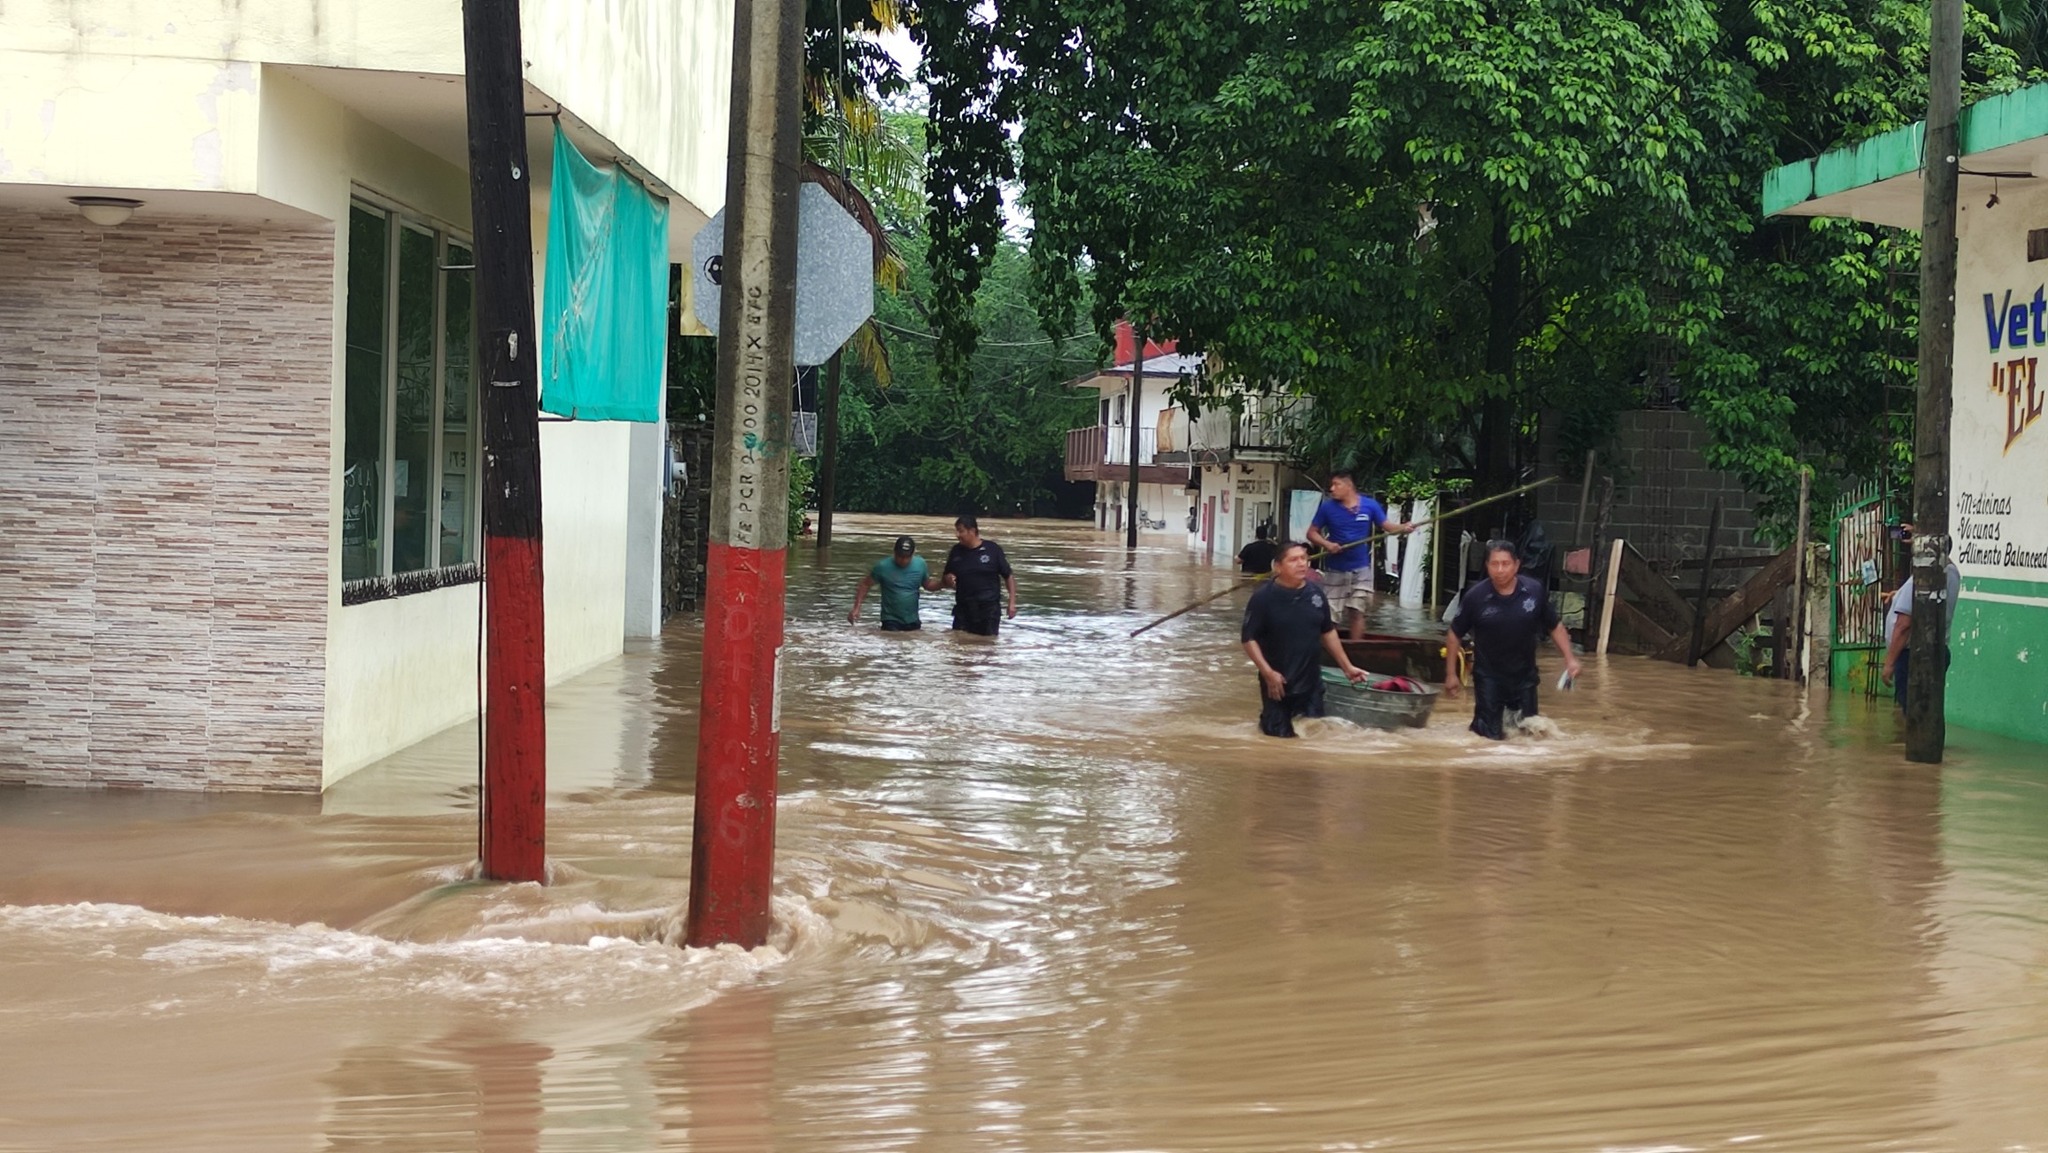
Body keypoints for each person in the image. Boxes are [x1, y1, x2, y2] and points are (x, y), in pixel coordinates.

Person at [1444, 539, 1582, 740]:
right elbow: (1454, 634)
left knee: (1528, 734)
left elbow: (1555, 626)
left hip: (1524, 677)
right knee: (1488, 737)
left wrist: (1570, 659)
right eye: (1494, 564)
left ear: (1516, 565)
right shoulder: (1475, 597)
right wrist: (1451, 675)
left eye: (1505, 564)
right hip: (1488, 678)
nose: (1500, 570)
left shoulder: (1534, 591)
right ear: (1487, 566)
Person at [1242, 541, 1370, 737]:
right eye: (1293, 560)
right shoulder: (1263, 598)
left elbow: (1327, 632)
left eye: (1304, 559)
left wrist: (1347, 667)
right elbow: (1248, 638)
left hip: (1310, 682)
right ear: (1277, 567)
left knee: (1313, 736)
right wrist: (1268, 673)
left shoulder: (1316, 594)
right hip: (1278, 684)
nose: (1301, 564)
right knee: (1277, 739)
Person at [1304, 470, 1412, 640]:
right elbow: (1311, 533)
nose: (1332, 489)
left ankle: (1357, 651)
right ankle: (1332, 651)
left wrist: (1404, 528)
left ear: (1348, 485)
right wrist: (1328, 545)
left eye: (1336, 484)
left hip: (1361, 569)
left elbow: (1387, 527)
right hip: (1335, 569)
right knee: (1331, 616)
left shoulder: (1370, 506)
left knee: (1357, 612)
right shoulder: (1327, 508)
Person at [1881, 558, 1961, 709]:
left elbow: (1904, 625)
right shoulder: (1952, 573)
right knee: (1927, 710)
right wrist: (1900, 595)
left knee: (1912, 713)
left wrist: (1889, 663)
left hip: (1911, 656)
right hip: (1937, 652)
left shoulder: (1924, 576)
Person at [942, 515, 1017, 636]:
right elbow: (945, 577)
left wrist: (1012, 603)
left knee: (986, 648)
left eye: (961, 531)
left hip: (988, 610)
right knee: (958, 647)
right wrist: (949, 579)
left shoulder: (993, 549)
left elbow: (1008, 576)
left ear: (972, 531)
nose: (957, 535)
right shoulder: (956, 551)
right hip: (963, 609)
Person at [848, 535, 939, 631]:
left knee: (913, 642)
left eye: (907, 557)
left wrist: (943, 584)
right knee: (892, 642)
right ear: (894, 552)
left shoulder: (920, 564)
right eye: (900, 556)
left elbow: (928, 585)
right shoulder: (882, 566)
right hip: (890, 620)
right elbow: (865, 584)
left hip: (913, 619)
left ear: (913, 554)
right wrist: (856, 608)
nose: (903, 560)